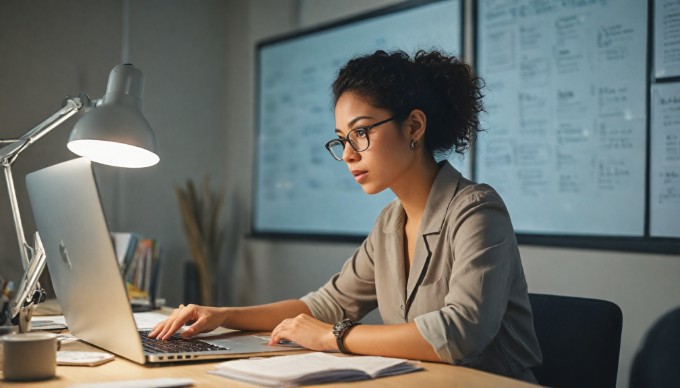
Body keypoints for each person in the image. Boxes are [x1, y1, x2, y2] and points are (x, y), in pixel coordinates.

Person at [149, 49, 543, 381]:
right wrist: (223, 315)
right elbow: (324, 306)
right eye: (342, 140)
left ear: (414, 125)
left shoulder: (477, 210)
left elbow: (461, 332)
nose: (350, 154)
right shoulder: (390, 224)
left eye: (361, 132)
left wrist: (334, 337)